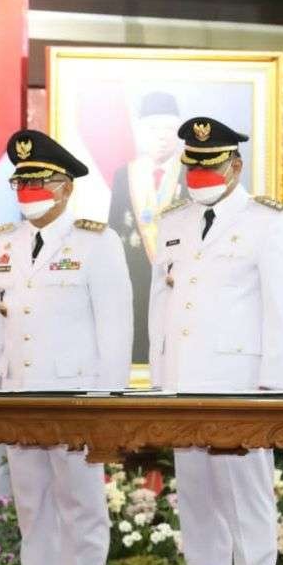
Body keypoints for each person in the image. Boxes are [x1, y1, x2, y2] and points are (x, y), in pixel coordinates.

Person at [148, 116, 283, 565]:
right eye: (191, 166)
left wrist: (273, 387)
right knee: (196, 499)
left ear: (235, 165)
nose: (198, 176)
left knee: (247, 498)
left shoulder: (268, 221)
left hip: (240, 385)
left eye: (209, 166)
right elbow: (160, 304)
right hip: (183, 382)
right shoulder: (172, 221)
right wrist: (159, 380)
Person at [0, 129, 132, 565]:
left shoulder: (96, 242)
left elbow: (115, 324)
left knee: (81, 503)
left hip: (76, 396)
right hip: (19, 394)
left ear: (64, 186)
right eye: (20, 181)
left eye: (37, 181)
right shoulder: (1, 242)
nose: (27, 191)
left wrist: (108, 403)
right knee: (31, 503)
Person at [108, 91, 185, 362]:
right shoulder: (125, 175)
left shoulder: (190, 173)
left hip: (182, 287)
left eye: (169, 128)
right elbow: (113, 234)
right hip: (134, 286)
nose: (162, 136)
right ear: (141, 132)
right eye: (154, 128)